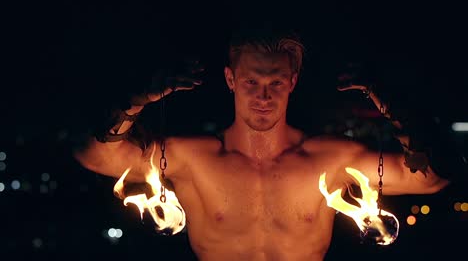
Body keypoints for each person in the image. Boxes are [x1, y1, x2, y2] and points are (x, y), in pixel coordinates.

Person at [73, 24, 451, 261]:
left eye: (276, 83)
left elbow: (432, 179)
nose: (263, 96)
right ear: (231, 79)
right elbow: (93, 156)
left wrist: (391, 101)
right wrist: (136, 99)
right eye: (252, 82)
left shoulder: (332, 160)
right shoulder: (192, 157)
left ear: (293, 82)